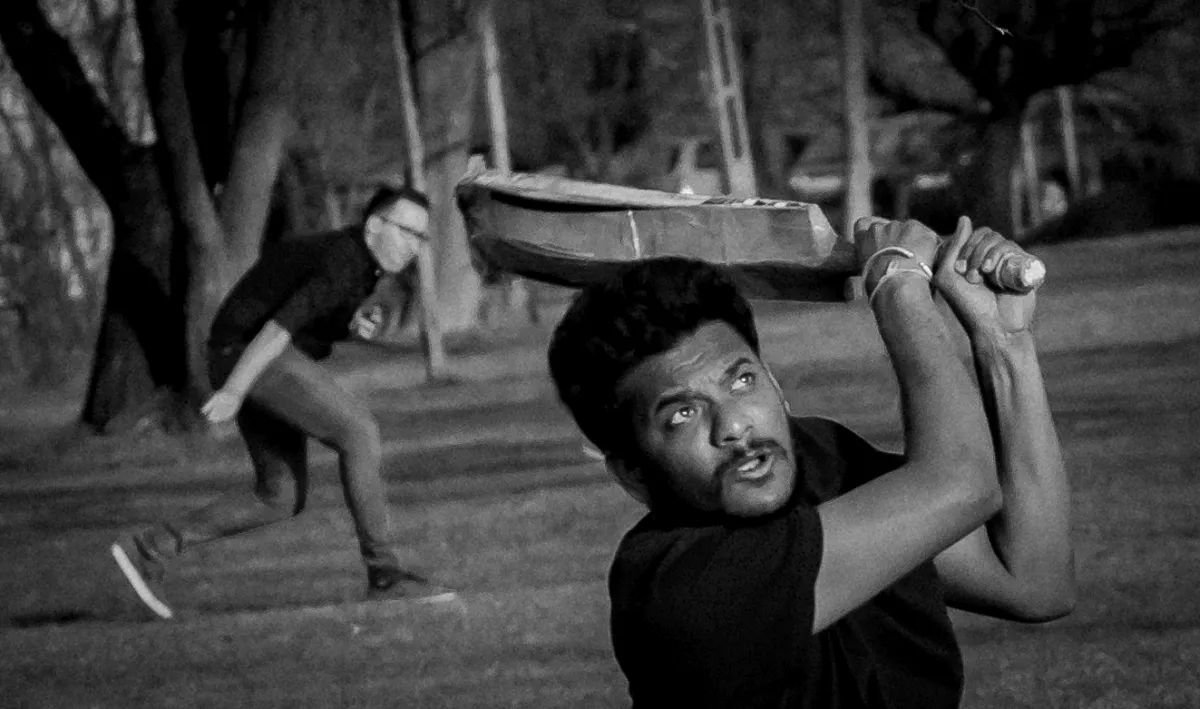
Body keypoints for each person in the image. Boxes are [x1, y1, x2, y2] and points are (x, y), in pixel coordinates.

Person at [547, 216, 1075, 707]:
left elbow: (1033, 580)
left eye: (742, 381)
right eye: (683, 413)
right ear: (633, 474)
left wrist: (1004, 342)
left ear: (776, 385)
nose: (733, 426)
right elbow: (961, 483)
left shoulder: (825, 463)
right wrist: (896, 284)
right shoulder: (677, 591)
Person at [110, 185, 456, 619]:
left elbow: (313, 317)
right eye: (408, 232)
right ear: (375, 225)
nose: (414, 246)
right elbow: (275, 330)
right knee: (358, 432)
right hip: (249, 354)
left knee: (279, 496)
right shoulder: (342, 262)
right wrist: (235, 390)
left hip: (238, 352)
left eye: (421, 238)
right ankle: (385, 575)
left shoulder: (358, 264)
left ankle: (149, 548)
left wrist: (351, 324)